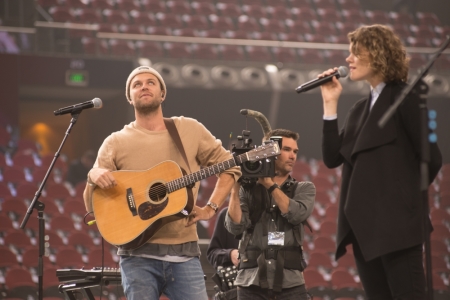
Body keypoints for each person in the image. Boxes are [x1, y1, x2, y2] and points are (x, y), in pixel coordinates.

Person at [83, 66, 241, 300]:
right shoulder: (115, 142)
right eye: (136, 84)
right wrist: (93, 176)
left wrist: (211, 208)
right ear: (129, 97)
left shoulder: (188, 129)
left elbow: (230, 166)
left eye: (150, 82)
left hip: (185, 255)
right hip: (136, 257)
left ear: (162, 94)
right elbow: (92, 207)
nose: (143, 86)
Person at [319, 24, 442, 300]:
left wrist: (403, 198)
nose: (348, 59)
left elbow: (432, 158)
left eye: (355, 53)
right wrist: (330, 104)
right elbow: (331, 158)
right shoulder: (360, 110)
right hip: (365, 229)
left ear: (377, 55)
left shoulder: (404, 99)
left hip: (398, 227)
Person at [225, 129, 315, 300]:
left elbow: (296, 214)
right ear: (269, 152)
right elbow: (235, 225)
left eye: (295, 151)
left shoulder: (304, 188)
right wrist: (235, 188)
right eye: (286, 150)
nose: (292, 156)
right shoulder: (247, 190)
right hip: (251, 281)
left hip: (291, 282)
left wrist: (270, 185)